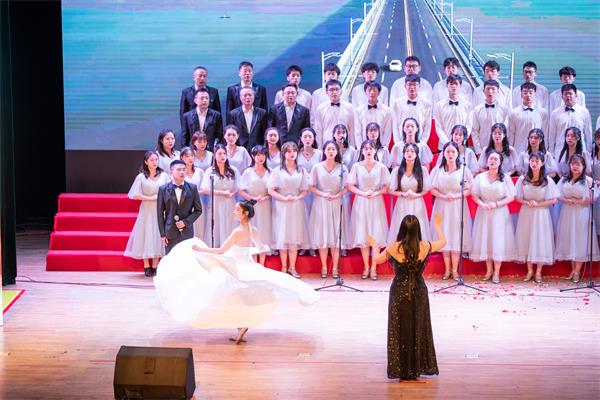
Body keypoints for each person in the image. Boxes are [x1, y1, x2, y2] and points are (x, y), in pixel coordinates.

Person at [154, 200, 319, 344]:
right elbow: (262, 248)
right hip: (247, 265)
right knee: (239, 296)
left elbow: (220, 251)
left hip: (236, 267)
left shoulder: (238, 231)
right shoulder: (253, 229)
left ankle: (240, 324)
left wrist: (200, 249)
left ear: (244, 213)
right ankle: (241, 325)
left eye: (237, 210)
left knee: (222, 295)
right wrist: (256, 249)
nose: (234, 212)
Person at [368, 213, 445, 381]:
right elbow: (443, 242)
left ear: (402, 229)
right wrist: (438, 226)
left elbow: (377, 260)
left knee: (401, 328)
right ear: (418, 230)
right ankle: (416, 368)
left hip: (399, 292)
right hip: (419, 292)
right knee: (418, 327)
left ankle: (403, 369)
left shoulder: (394, 248)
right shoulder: (425, 246)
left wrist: (374, 245)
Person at [470, 150, 517, 283]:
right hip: (484, 211)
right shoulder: (480, 177)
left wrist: (496, 204)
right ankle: (489, 270)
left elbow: (511, 197)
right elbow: (474, 195)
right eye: (491, 158)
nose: (492, 161)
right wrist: (482, 204)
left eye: (496, 159)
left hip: (499, 212)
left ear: (500, 162)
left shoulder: (505, 178)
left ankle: (496, 272)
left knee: (497, 240)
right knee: (486, 239)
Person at [430, 141, 474, 280]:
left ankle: (455, 270)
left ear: (457, 154)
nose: (450, 154)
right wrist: (442, 195)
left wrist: (456, 196)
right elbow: (432, 189)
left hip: (457, 205)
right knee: (444, 235)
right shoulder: (438, 170)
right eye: (447, 152)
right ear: (443, 153)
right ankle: (447, 269)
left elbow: (470, 189)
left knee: (455, 236)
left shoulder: (463, 170)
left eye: (453, 152)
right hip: (442, 205)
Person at [348, 140, 391, 280]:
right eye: (365, 148)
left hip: (376, 202)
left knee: (375, 235)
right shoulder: (356, 166)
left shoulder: (381, 167)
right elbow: (350, 185)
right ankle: (366, 266)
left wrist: (376, 193)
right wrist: (362, 193)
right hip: (361, 201)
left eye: (371, 148)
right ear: (361, 151)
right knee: (363, 235)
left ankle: (374, 268)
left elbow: (387, 187)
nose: (368, 151)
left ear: (375, 151)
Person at [514, 151, 559, 283]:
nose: (534, 163)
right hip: (526, 212)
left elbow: (553, 200)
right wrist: (526, 202)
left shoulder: (548, 180)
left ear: (542, 163)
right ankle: (529, 270)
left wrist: (538, 204)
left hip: (541, 214)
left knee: (540, 240)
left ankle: (538, 271)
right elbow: (517, 197)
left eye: (537, 161)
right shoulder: (523, 179)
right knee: (527, 239)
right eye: (532, 161)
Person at [555, 154, 600, 283]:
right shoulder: (564, 179)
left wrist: (578, 202)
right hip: (567, 212)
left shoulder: (588, 181)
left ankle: (577, 271)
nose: (575, 166)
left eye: (578, 164)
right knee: (570, 239)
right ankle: (573, 269)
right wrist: (566, 200)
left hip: (582, 213)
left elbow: (593, 198)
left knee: (580, 240)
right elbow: (557, 194)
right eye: (573, 164)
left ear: (583, 166)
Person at [268, 141, 310, 278]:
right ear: (283, 154)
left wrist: (297, 197)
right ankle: (284, 267)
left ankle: (292, 267)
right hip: (281, 205)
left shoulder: (301, 170)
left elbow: (305, 189)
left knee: (294, 236)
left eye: (294, 151)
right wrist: (283, 198)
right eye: (289, 151)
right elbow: (271, 190)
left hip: (296, 205)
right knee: (283, 235)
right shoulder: (277, 170)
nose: (292, 154)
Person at [309, 140, 351, 278]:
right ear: (324, 151)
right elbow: (311, 186)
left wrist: (337, 195)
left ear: (337, 151)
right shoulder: (317, 167)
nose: (331, 151)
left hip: (336, 202)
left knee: (335, 236)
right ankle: (324, 267)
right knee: (323, 235)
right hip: (321, 203)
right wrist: (323, 194)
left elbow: (347, 187)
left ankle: (334, 268)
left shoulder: (342, 168)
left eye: (333, 149)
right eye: (328, 149)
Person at [124, 151, 170, 276]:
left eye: (156, 160)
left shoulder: (164, 175)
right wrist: (151, 198)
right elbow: (135, 195)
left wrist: (159, 198)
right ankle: (146, 265)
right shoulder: (141, 177)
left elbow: (169, 191)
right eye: (151, 160)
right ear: (146, 162)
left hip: (160, 209)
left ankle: (155, 264)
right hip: (146, 208)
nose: (155, 162)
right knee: (146, 234)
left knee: (158, 234)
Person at [388, 143, 431, 244]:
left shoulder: (422, 170)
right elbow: (390, 190)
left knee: (418, 228)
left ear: (417, 154)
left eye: (412, 151)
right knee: (402, 228)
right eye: (407, 151)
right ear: (403, 154)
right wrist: (403, 194)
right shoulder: (397, 170)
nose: (409, 153)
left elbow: (427, 188)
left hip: (417, 202)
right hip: (402, 203)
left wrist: (417, 195)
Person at [157, 160, 202, 254]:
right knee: (171, 258)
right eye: (178, 170)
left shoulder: (192, 188)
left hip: (187, 232)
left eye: (184, 170)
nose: (182, 172)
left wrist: (185, 222)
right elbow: (160, 213)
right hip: (170, 232)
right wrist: (162, 234)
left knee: (186, 258)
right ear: (171, 172)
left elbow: (198, 210)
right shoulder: (163, 189)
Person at [200, 144, 239, 247]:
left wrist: (232, 193)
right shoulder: (210, 171)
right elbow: (205, 189)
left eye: (224, 153)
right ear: (215, 155)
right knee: (217, 224)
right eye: (219, 154)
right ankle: (217, 247)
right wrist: (221, 193)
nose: (222, 156)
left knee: (229, 223)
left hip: (229, 202)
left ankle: (229, 247)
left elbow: (239, 187)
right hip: (216, 202)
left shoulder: (232, 170)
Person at [238, 145, 271, 265]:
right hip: (252, 205)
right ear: (253, 156)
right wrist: (253, 198)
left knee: (264, 230)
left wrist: (266, 197)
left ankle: (262, 262)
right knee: (252, 231)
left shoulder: (270, 172)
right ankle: (253, 262)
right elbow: (240, 191)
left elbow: (272, 190)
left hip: (265, 205)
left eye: (263, 155)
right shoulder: (248, 172)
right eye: (258, 155)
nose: (261, 157)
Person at [548, 84, 593, 154]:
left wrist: (589, 152)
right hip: (560, 151)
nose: (568, 96)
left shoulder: (584, 112)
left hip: (580, 151)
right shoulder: (555, 113)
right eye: (565, 94)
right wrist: (551, 153)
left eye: (570, 93)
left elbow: (588, 134)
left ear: (576, 95)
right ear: (562, 97)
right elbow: (552, 136)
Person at [508, 82, 548, 155]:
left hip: (537, 151)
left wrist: (544, 150)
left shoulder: (542, 112)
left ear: (535, 94)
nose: (528, 95)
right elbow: (511, 134)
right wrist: (511, 150)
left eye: (530, 93)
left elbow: (545, 133)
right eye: (525, 92)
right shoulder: (514, 112)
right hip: (518, 149)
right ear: (521, 94)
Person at [432, 74, 472, 148]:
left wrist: (461, 140)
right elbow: (438, 128)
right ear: (447, 86)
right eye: (451, 84)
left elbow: (469, 126)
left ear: (460, 86)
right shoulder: (439, 106)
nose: (454, 86)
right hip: (444, 145)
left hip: (462, 145)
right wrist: (447, 143)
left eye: (456, 84)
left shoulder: (468, 105)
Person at [391, 74, 432, 144]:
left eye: (415, 85)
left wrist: (422, 143)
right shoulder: (397, 103)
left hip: (419, 142)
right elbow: (395, 125)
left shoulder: (427, 104)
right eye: (409, 84)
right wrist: (398, 143)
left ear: (419, 86)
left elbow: (427, 126)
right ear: (405, 86)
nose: (412, 87)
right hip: (401, 142)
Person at [471, 80, 509, 155]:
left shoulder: (505, 110)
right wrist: (478, 151)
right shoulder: (477, 110)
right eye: (488, 89)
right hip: (483, 149)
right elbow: (475, 131)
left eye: (493, 89)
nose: (490, 92)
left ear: (498, 91)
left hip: (500, 150)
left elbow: (506, 131)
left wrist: (503, 149)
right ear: (483, 91)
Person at [314, 79, 355, 147]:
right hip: (327, 146)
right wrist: (320, 148)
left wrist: (352, 148)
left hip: (344, 146)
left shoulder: (350, 108)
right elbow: (318, 131)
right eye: (331, 90)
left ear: (341, 91)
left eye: (337, 89)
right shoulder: (320, 109)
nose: (334, 92)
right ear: (326, 92)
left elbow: (352, 129)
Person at [179, 66, 221, 132]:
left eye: (204, 76)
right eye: (200, 76)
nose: (202, 78)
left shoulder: (214, 92)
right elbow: (183, 113)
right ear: (193, 77)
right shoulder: (186, 92)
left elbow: (218, 112)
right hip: (192, 129)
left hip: (210, 129)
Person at [226, 86, 268, 152]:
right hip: (239, 149)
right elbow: (230, 132)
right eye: (245, 95)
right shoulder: (233, 114)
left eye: (250, 95)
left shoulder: (262, 113)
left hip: (258, 149)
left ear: (254, 97)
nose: (247, 97)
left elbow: (265, 132)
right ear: (240, 98)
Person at [353, 80, 392, 147]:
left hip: (381, 147)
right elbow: (358, 132)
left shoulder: (387, 111)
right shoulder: (358, 111)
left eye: (374, 90)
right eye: (369, 90)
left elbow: (387, 131)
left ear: (379, 93)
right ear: (365, 92)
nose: (372, 92)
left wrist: (384, 147)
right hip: (364, 148)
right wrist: (361, 148)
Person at [180, 147, 206, 242]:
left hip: (198, 203)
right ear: (182, 157)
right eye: (187, 156)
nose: (190, 158)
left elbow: (205, 188)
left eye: (192, 156)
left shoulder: (199, 172)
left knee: (200, 228)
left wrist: (196, 193)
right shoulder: (180, 172)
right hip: (184, 204)